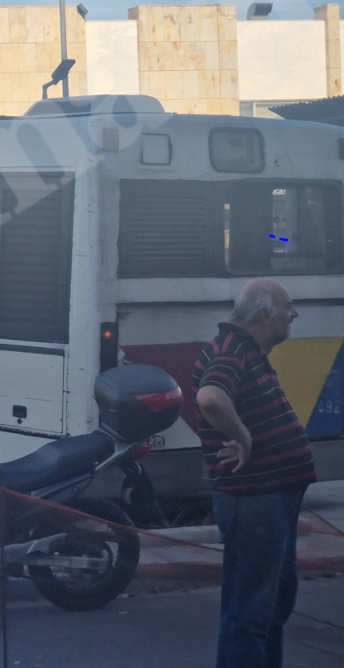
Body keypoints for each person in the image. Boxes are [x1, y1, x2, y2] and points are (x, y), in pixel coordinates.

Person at [193, 279, 316, 668]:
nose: (294, 314)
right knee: (250, 615)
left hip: (272, 498)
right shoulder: (232, 349)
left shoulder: (247, 350)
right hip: (255, 501)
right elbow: (210, 397)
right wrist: (244, 437)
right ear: (264, 314)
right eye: (288, 306)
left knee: (272, 609)